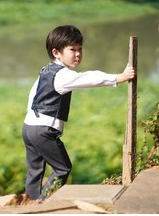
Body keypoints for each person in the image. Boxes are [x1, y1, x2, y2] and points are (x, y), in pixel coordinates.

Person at [22, 25, 136, 200]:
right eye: (72, 50)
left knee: (35, 171)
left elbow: (33, 95)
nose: (78, 54)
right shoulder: (62, 75)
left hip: (29, 127)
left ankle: (28, 202)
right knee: (63, 168)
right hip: (43, 131)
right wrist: (118, 77)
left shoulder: (46, 70)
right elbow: (88, 78)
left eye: (80, 49)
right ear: (56, 52)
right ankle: (42, 203)